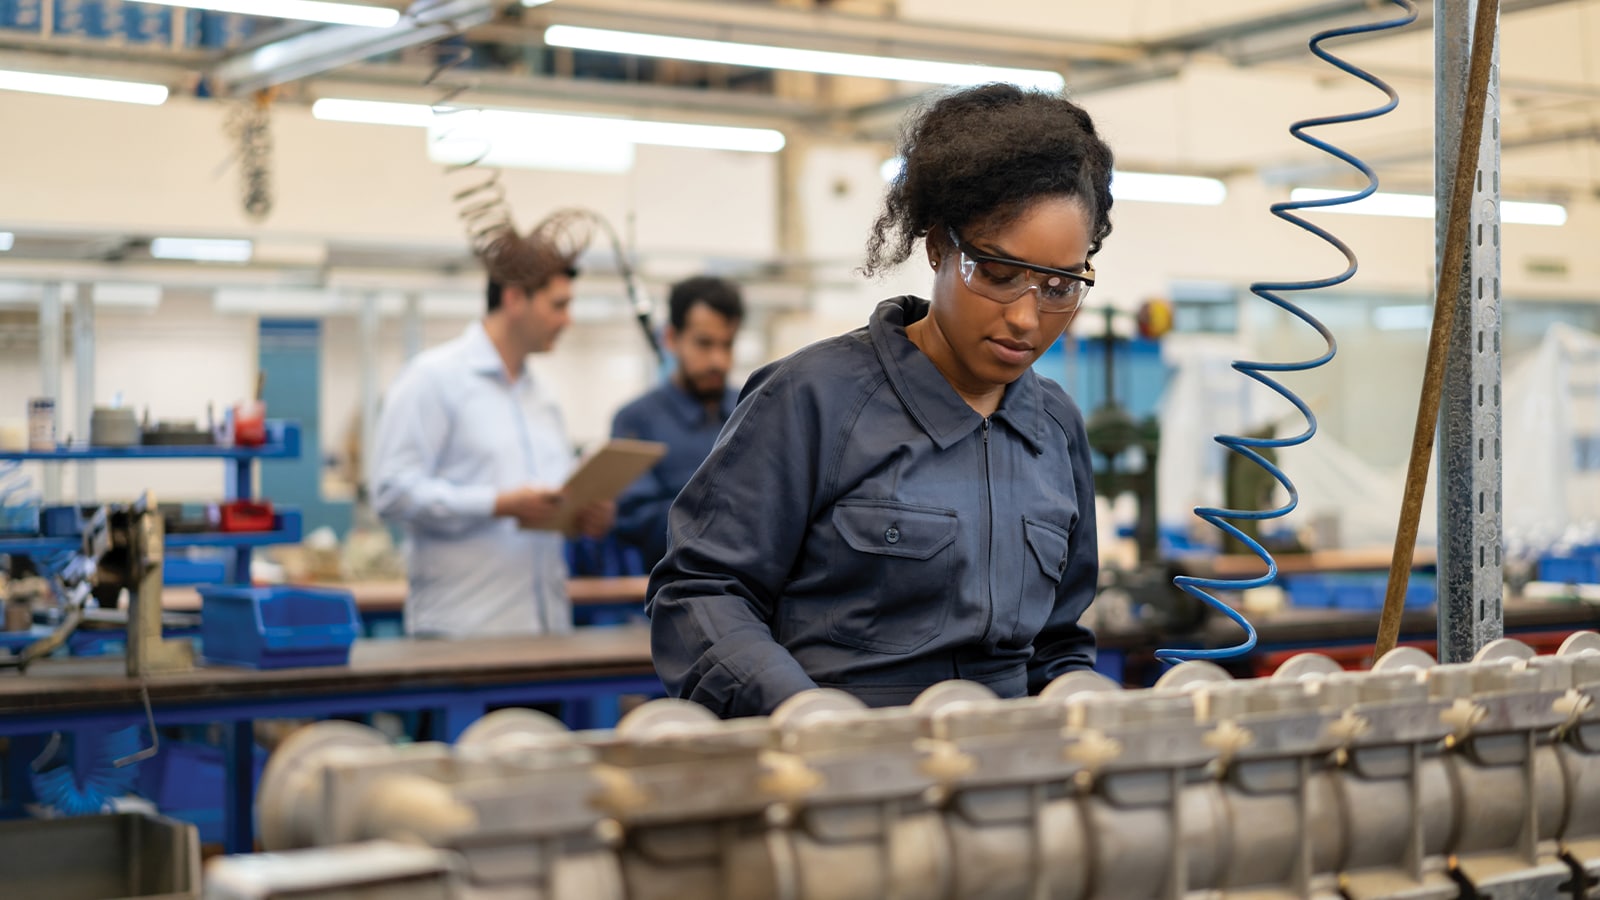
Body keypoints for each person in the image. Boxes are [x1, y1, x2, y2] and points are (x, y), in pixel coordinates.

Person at [646, 82, 1113, 718]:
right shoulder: (813, 401)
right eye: (999, 275)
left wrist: (1083, 708)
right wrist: (802, 717)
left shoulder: (1054, 429)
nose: (1028, 319)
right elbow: (702, 592)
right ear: (939, 246)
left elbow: (1057, 643)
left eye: (1060, 286)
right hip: (837, 777)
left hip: (1008, 782)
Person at [371, 224, 615, 637]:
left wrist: (582, 514)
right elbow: (392, 492)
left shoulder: (542, 396)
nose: (567, 320)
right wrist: (497, 504)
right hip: (463, 636)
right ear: (515, 298)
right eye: (558, 305)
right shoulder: (433, 380)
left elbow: (549, 505)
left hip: (546, 632)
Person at [610, 276, 745, 571]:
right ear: (671, 338)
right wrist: (730, 511)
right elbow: (636, 521)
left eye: (727, 345)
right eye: (704, 344)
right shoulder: (637, 420)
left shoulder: (750, 410)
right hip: (671, 596)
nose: (718, 361)